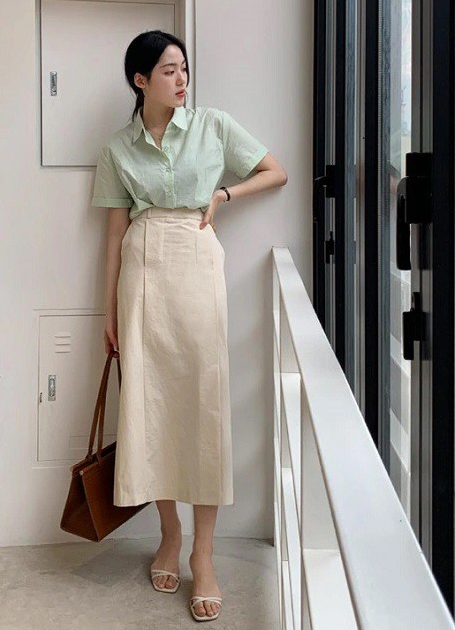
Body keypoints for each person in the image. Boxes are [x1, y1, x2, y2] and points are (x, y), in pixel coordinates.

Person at [91, 30, 287, 622]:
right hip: (142, 274)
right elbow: (114, 234)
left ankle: (204, 553)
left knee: (203, 404)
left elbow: (275, 172)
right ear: (140, 80)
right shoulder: (117, 148)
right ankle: (169, 534)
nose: (181, 80)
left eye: (184, 69)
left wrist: (224, 193)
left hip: (197, 264)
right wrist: (108, 310)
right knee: (150, 407)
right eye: (169, 70)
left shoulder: (213, 126)